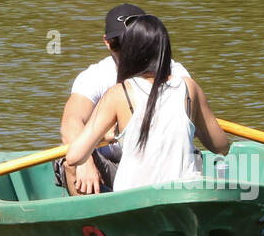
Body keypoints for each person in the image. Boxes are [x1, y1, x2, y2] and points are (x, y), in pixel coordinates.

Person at [64, 15, 229, 193]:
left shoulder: (119, 93)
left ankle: (91, 221)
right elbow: (222, 147)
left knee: (66, 164)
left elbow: (74, 156)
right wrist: (195, 125)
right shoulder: (189, 87)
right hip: (183, 195)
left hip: (132, 200)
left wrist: (103, 138)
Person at [57, 3, 190, 195]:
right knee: (70, 161)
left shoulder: (175, 74)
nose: (127, 51)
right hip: (115, 167)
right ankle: (93, 224)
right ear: (107, 42)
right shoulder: (94, 76)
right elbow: (70, 122)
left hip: (162, 165)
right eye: (118, 43)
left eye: (131, 42)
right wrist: (85, 162)